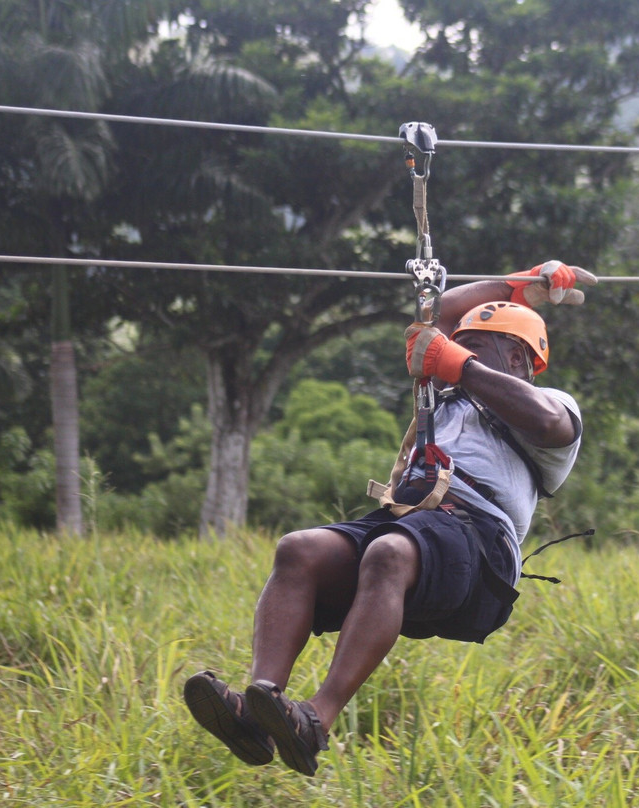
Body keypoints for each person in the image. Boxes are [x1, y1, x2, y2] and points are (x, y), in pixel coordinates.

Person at [183, 261, 596, 776]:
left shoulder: (553, 403)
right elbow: (436, 314)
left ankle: (316, 719)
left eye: (474, 347)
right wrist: (518, 286)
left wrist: (458, 363)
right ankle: (260, 707)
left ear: (516, 357)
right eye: (458, 347)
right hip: (413, 521)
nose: (458, 354)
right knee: (299, 550)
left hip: (479, 545)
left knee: (390, 552)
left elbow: (546, 423)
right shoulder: (442, 399)